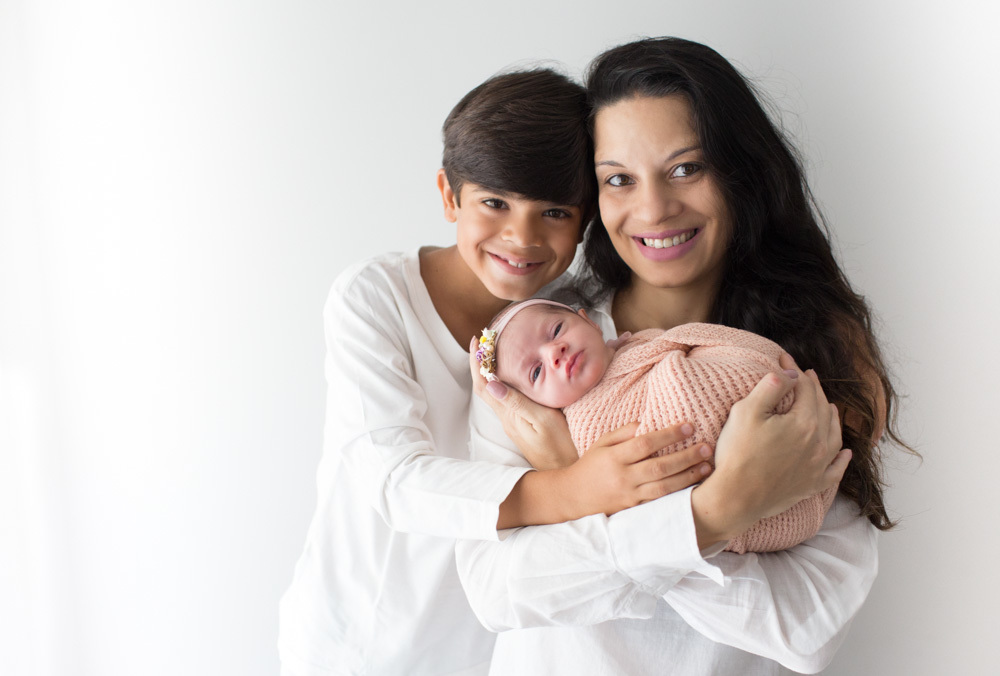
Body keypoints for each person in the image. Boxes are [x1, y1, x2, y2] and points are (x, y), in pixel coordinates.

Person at [456, 37, 909, 675]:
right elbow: (499, 591)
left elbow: (808, 632)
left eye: (685, 168)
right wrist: (716, 512)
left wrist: (602, 507)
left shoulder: (814, 351)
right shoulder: (530, 353)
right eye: (619, 179)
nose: (653, 209)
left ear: (739, 171)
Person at [277, 68, 718, 676]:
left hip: (498, 648)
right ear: (448, 195)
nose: (522, 236)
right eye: (494, 203)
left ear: (587, 218)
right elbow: (395, 482)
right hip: (363, 648)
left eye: (556, 212)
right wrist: (577, 487)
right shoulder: (375, 297)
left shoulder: (578, 314)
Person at [473, 297, 837, 554]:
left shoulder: (643, 342)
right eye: (536, 371)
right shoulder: (582, 429)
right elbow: (641, 489)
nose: (555, 353)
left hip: (793, 432)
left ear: (587, 320)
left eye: (556, 329)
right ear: (537, 405)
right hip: (744, 493)